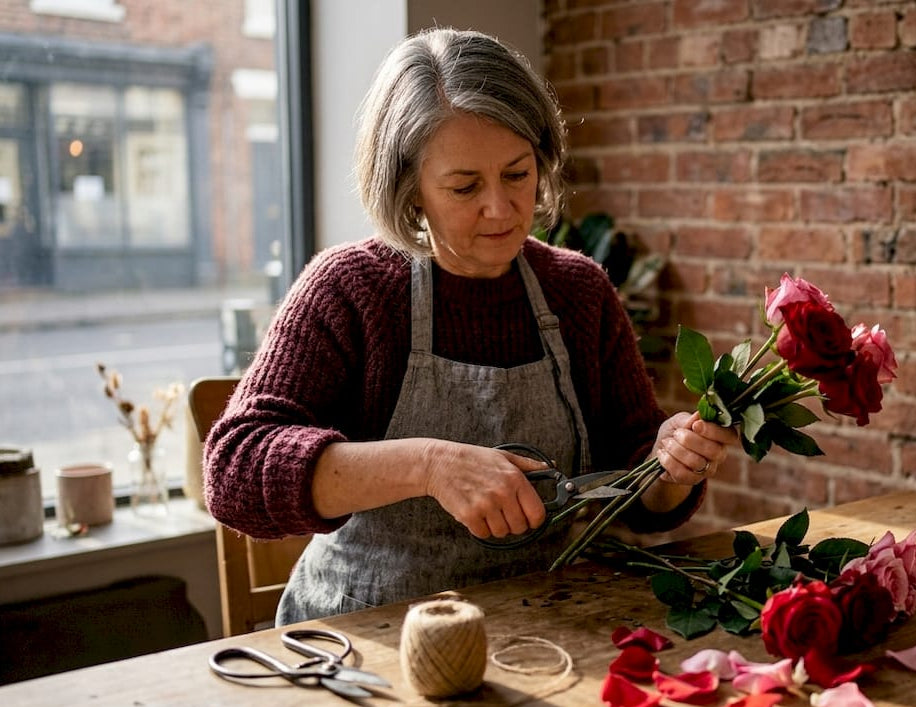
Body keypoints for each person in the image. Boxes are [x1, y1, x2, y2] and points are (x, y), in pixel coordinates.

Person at [203, 27, 738, 624]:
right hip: (369, 637)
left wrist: (669, 467)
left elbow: (640, 491)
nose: (501, 209)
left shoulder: (577, 291)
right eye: (464, 186)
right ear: (410, 189)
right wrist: (429, 465)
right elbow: (234, 470)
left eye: (517, 173)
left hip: (547, 623)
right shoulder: (351, 288)